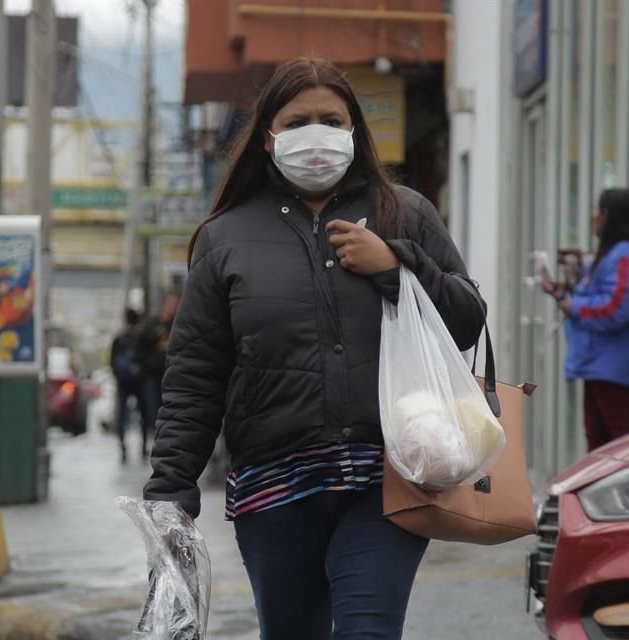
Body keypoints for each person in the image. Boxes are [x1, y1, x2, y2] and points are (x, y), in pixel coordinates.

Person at [142, 57, 487, 639]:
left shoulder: (403, 213)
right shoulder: (225, 238)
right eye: (298, 120)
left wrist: (397, 265)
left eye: (332, 118)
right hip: (273, 492)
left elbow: (467, 321)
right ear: (269, 136)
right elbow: (194, 378)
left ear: (354, 130)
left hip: (389, 481)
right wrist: (170, 496)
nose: (316, 132)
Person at [542, 188, 629, 451]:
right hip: (597, 362)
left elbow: (617, 308)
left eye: (599, 211)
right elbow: (602, 293)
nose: (594, 216)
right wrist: (564, 291)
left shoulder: (626, 254)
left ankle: (628, 492)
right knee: (598, 440)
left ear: (609, 216)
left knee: (621, 443)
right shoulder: (615, 254)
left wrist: (574, 307)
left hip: (610, 364)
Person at [134, 291, 180, 458]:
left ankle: (167, 441)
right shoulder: (153, 325)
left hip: (173, 375)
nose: (173, 309)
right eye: (171, 304)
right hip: (153, 376)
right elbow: (140, 349)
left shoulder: (179, 324)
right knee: (151, 410)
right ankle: (153, 441)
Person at [110, 307, 148, 464]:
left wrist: (118, 376)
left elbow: (112, 361)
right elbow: (147, 360)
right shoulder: (141, 339)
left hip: (123, 383)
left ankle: (123, 447)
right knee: (144, 414)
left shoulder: (119, 339)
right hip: (139, 382)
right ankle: (143, 447)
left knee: (122, 416)